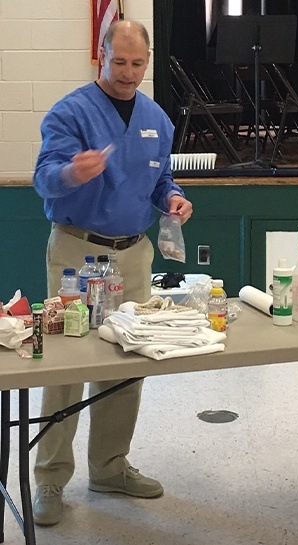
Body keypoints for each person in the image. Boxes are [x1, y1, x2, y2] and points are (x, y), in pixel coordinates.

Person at [32, 20, 193, 526]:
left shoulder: (157, 118)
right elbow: (44, 179)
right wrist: (71, 173)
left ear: (148, 62)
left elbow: (159, 177)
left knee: (127, 363)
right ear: (101, 55)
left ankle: (109, 467)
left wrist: (171, 198)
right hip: (78, 253)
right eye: (118, 62)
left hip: (133, 255)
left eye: (137, 64)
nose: (127, 73)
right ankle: (50, 478)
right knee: (68, 365)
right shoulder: (70, 112)